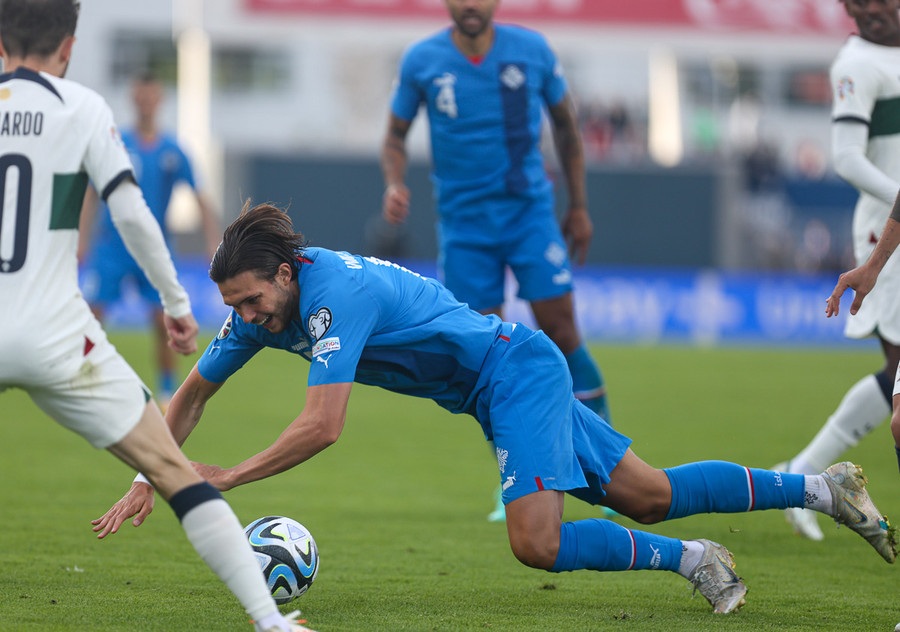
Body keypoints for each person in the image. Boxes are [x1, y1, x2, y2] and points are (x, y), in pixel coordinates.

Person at [95, 203, 898, 617]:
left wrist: (224, 478)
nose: (245, 318)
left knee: (534, 542)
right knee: (649, 494)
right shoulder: (260, 312)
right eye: (234, 306)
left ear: (286, 271)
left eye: (251, 300)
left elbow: (323, 425)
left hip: (515, 371)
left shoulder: (334, 293)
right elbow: (191, 394)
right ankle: (823, 489)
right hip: (495, 385)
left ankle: (694, 560)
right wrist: (148, 475)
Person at [0, 2, 305, 631]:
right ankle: (271, 622)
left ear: (2, 45)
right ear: (69, 47)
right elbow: (132, 211)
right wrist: (175, 301)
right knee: (169, 469)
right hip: (57, 335)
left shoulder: (156, 142)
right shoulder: (83, 108)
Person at [381, 0, 609, 521]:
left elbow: (567, 128)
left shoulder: (531, 50)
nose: (470, 4)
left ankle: (605, 468)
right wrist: (394, 183)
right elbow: (394, 136)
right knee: (485, 354)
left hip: (529, 215)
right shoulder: (422, 60)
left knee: (562, 330)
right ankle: (515, 482)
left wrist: (577, 206)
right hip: (464, 227)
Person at [775, 0, 900, 541]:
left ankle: (800, 474)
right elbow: (847, 158)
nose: (869, 9)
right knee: (898, 368)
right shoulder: (856, 64)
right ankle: (804, 477)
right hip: (887, 230)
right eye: (857, 2)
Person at [79, 72, 221, 408]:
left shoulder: (173, 150)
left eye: (151, 97)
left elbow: (200, 196)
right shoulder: (117, 141)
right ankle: (83, 380)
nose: (145, 103)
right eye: (140, 96)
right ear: (134, 99)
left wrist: (213, 240)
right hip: (112, 245)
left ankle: (167, 391)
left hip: (154, 247)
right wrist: (82, 238)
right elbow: (91, 192)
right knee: (92, 316)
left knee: (163, 319)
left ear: (159, 100)